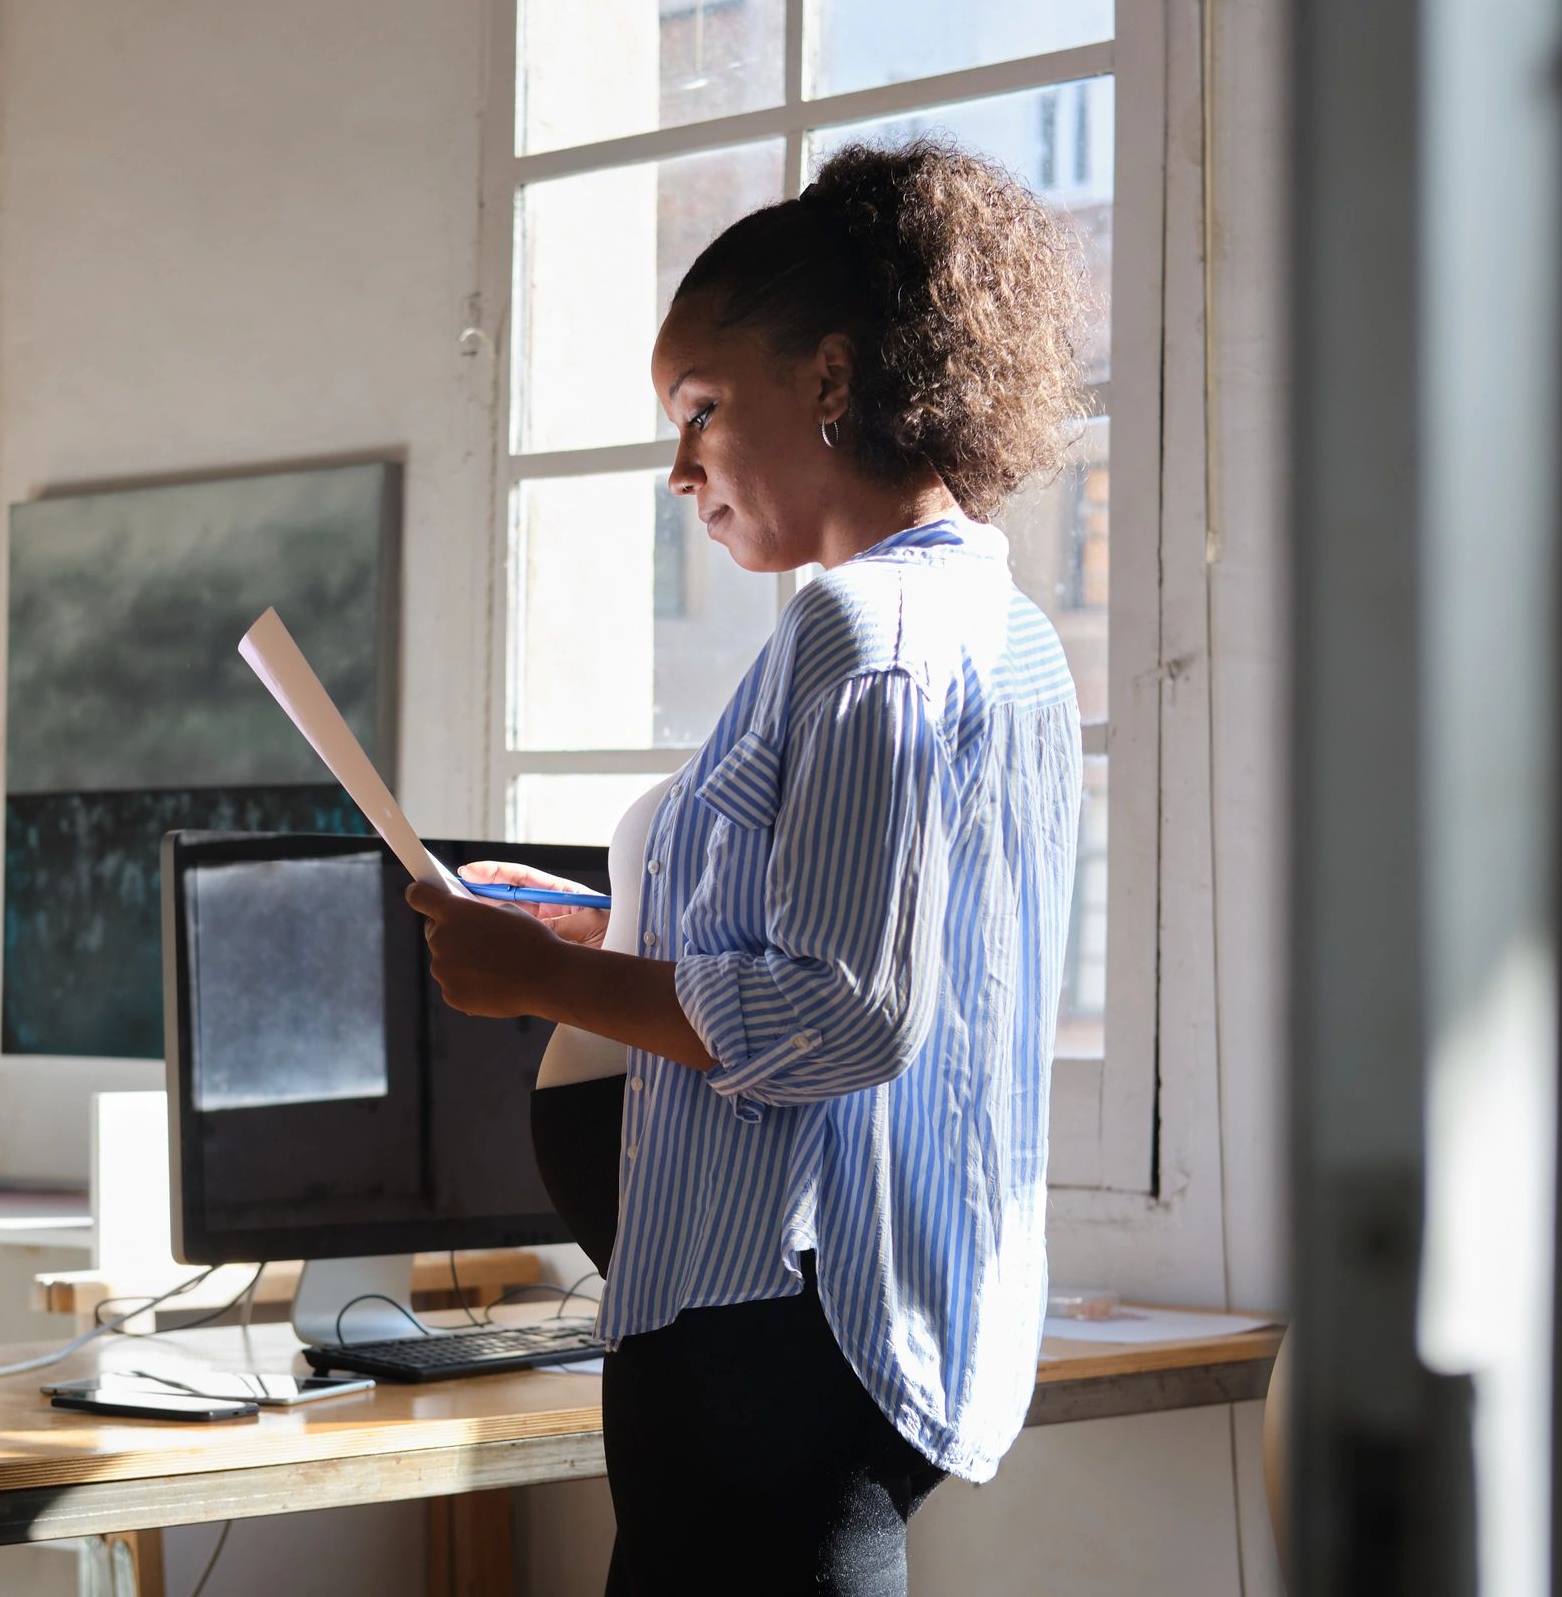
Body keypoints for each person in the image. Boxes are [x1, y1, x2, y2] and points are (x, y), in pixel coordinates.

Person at [409, 137, 1090, 1595]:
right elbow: (876, 942)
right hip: (786, 1343)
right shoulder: (999, 627)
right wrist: (601, 937)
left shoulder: (867, 633)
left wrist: (542, 983)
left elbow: (847, 1014)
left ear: (831, 379)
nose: (681, 472)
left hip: (777, 1343)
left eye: (701, 411)